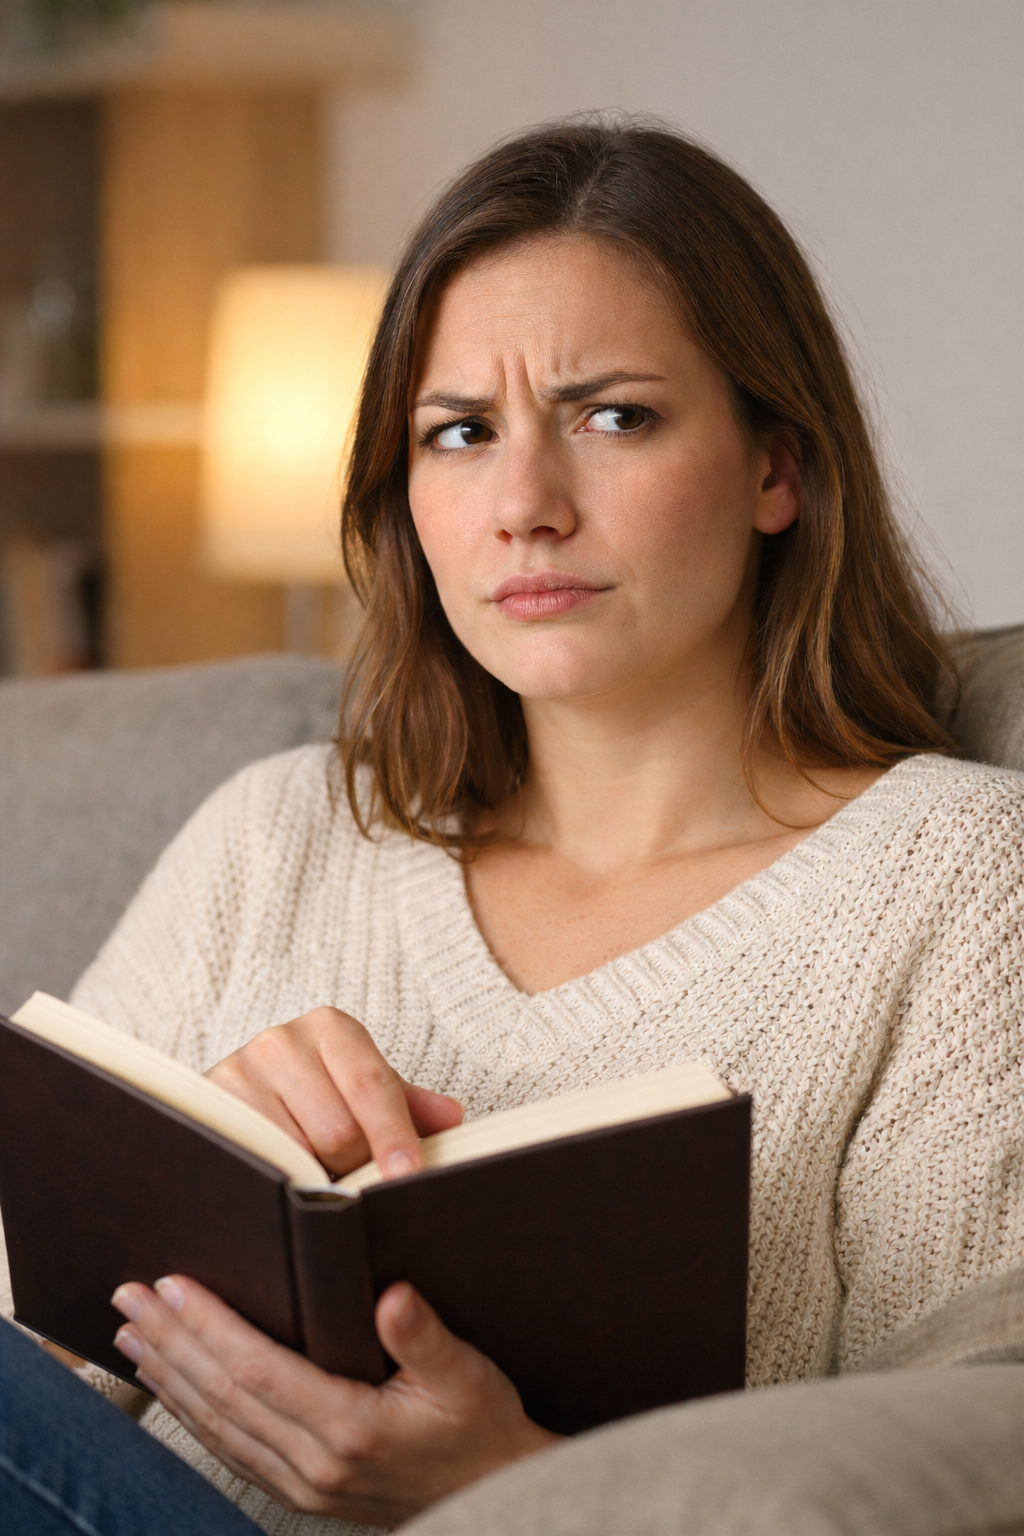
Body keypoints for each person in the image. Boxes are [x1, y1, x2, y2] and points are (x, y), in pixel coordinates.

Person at [2, 116, 1022, 1534]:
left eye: (616, 416)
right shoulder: (280, 830)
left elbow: (970, 1451)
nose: (525, 507)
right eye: (461, 434)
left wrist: (510, 1488)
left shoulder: (959, 879)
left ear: (777, 468)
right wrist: (163, 1213)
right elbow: (26, 1356)